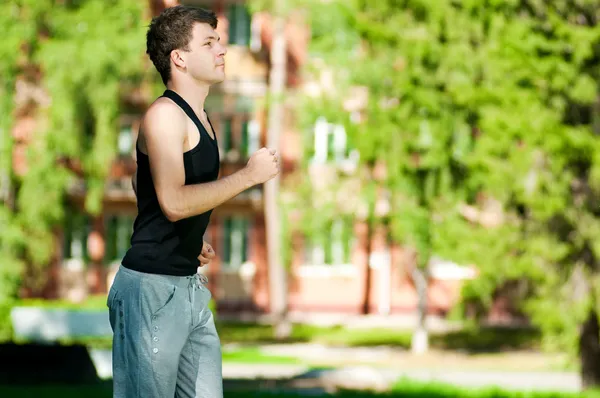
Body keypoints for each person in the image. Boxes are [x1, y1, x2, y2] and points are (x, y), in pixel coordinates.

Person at [107, 5, 280, 398]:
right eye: (209, 42)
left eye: (218, 40)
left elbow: (144, 182)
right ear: (179, 58)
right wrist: (248, 177)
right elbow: (172, 200)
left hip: (188, 289)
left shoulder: (200, 116)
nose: (222, 49)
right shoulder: (165, 115)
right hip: (150, 290)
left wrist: (186, 233)